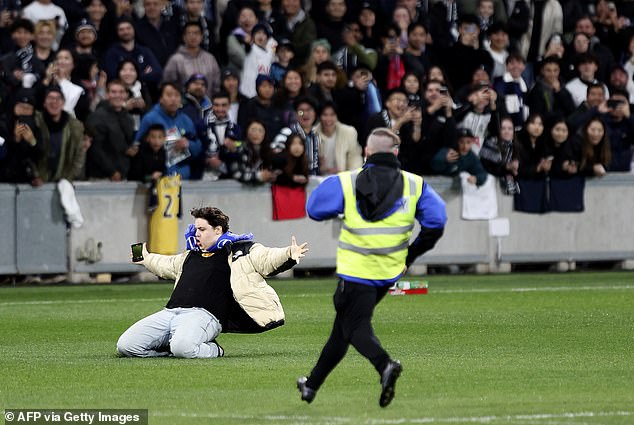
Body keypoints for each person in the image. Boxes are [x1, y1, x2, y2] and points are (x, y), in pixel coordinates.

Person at [297, 128, 447, 408]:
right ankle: (311, 384)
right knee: (342, 329)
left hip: (356, 271)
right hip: (388, 273)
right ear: (396, 152)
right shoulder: (416, 185)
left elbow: (314, 209)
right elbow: (437, 222)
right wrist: (409, 256)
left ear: (366, 151)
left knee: (354, 326)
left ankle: (385, 365)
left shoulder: (346, 182)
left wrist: (342, 205)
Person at [117, 206, 309, 358]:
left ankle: (214, 350)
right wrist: (146, 258)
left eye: (202, 229)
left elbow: (267, 258)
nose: (197, 234)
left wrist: (289, 253)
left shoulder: (241, 250)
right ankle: (170, 347)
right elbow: (165, 264)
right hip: (171, 312)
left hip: (204, 316)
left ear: (218, 230)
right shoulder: (190, 254)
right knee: (126, 346)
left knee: (183, 348)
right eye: (196, 229)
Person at [85, 79, 135, 181]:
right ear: (107, 95)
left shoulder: (129, 118)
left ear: (126, 95)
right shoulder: (96, 117)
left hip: (123, 175)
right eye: (113, 92)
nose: (117, 95)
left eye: (121, 92)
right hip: (100, 177)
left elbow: (125, 144)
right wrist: (111, 171)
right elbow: (95, 149)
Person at [162, 21, 221, 99]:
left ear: (202, 36)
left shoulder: (210, 58)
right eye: (189, 33)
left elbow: (216, 85)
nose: (193, 36)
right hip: (182, 107)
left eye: (196, 33)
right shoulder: (175, 59)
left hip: (207, 105)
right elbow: (167, 85)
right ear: (184, 37)